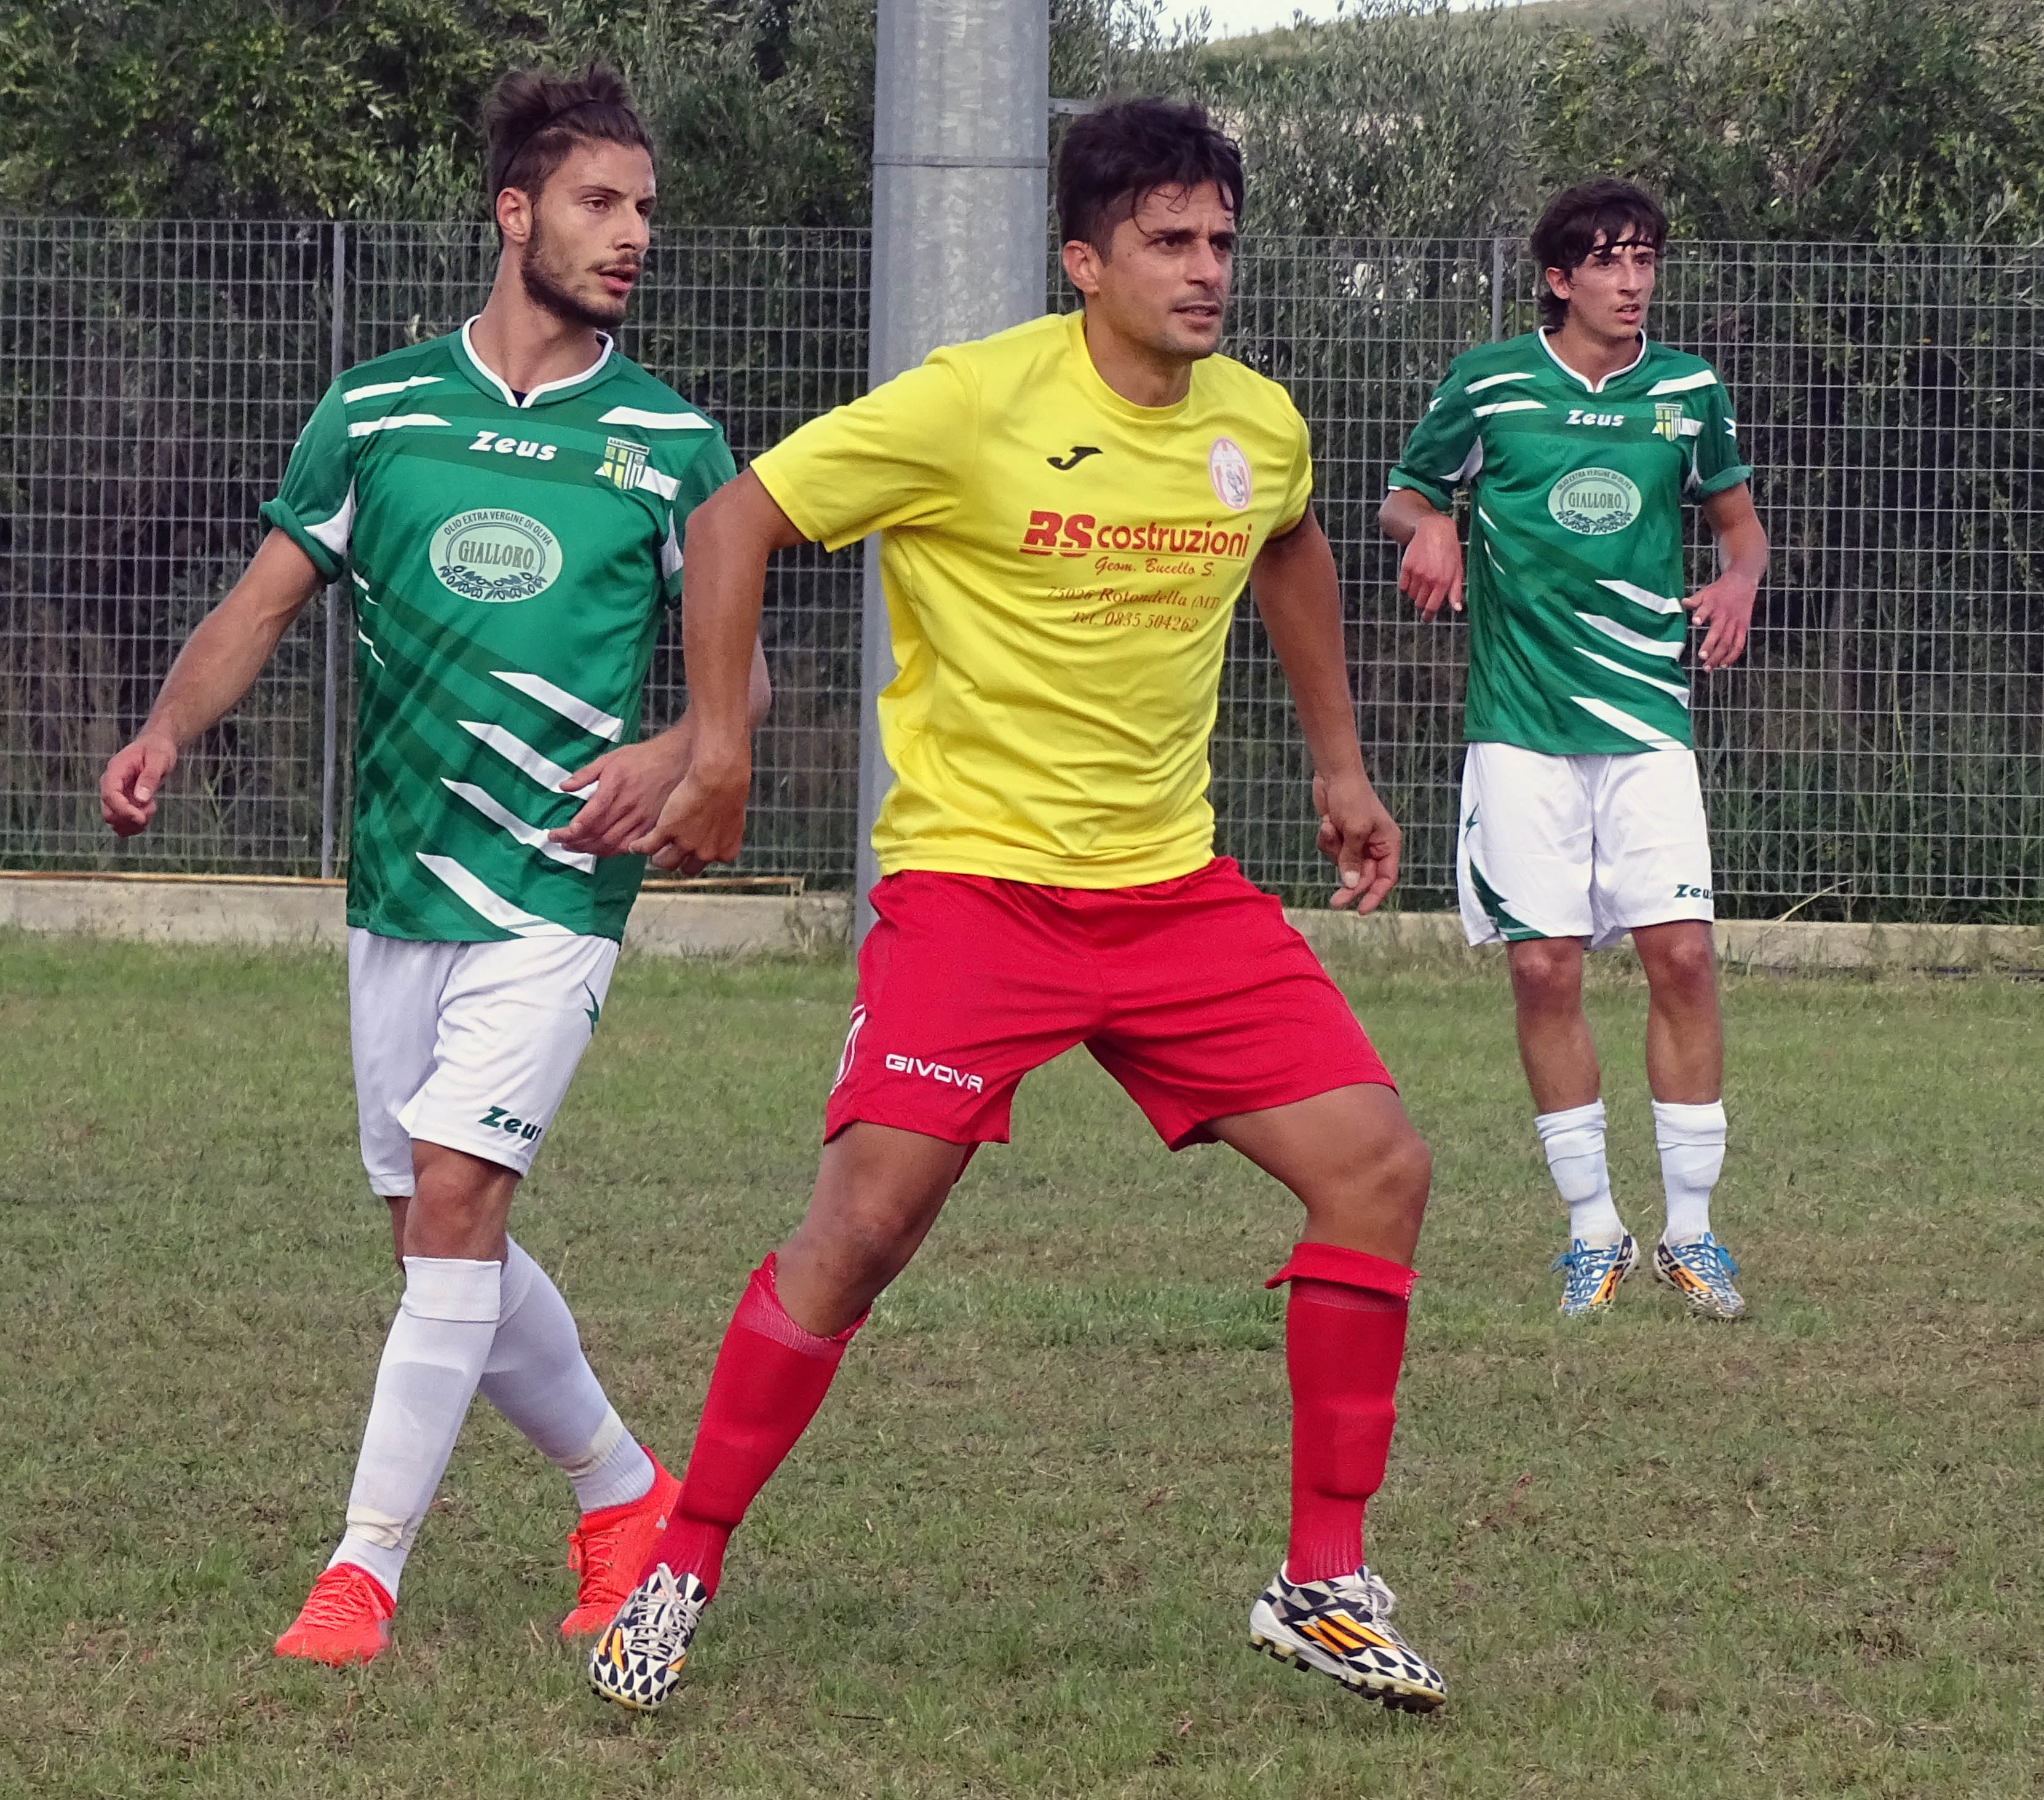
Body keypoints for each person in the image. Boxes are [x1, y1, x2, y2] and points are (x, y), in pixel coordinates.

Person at [584, 97, 1446, 1717]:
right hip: (977, 892)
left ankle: (1321, 1576)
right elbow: (733, 519)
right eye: (1168, 243)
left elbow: (1288, 541)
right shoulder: (970, 404)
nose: (1204, 273)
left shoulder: (1252, 420)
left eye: (1219, 242)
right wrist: (717, 743)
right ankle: (680, 1558)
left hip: (1173, 895)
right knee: (860, 1232)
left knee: (1377, 1168)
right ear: (1081, 259)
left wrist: (1338, 766)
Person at [98, 63, 770, 1665]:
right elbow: (262, 603)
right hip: (400, 887)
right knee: (430, 1235)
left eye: (648, 210)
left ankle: (363, 1569)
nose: (633, 236)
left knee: (464, 1198)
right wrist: (167, 734)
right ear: (515, 210)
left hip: (559, 887)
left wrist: (674, 760)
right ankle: (621, 1492)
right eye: (603, 203)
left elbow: (731, 694)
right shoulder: (381, 409)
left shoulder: (673, 445)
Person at [1380, 179, 1768, 1321]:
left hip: (1647, 722)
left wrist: (1739, 580)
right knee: (1543, 967)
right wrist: (1439, 521)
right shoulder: (1490, 382)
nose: (1633, 281)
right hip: (1521, 725)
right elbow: (1401, 500)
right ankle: (1591, 1232)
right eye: (1608, 262)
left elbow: (1740, 527)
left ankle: (1693, 1235)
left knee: (1684, 960)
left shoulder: (1688, 390)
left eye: (1645, 259)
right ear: (1559, 280)